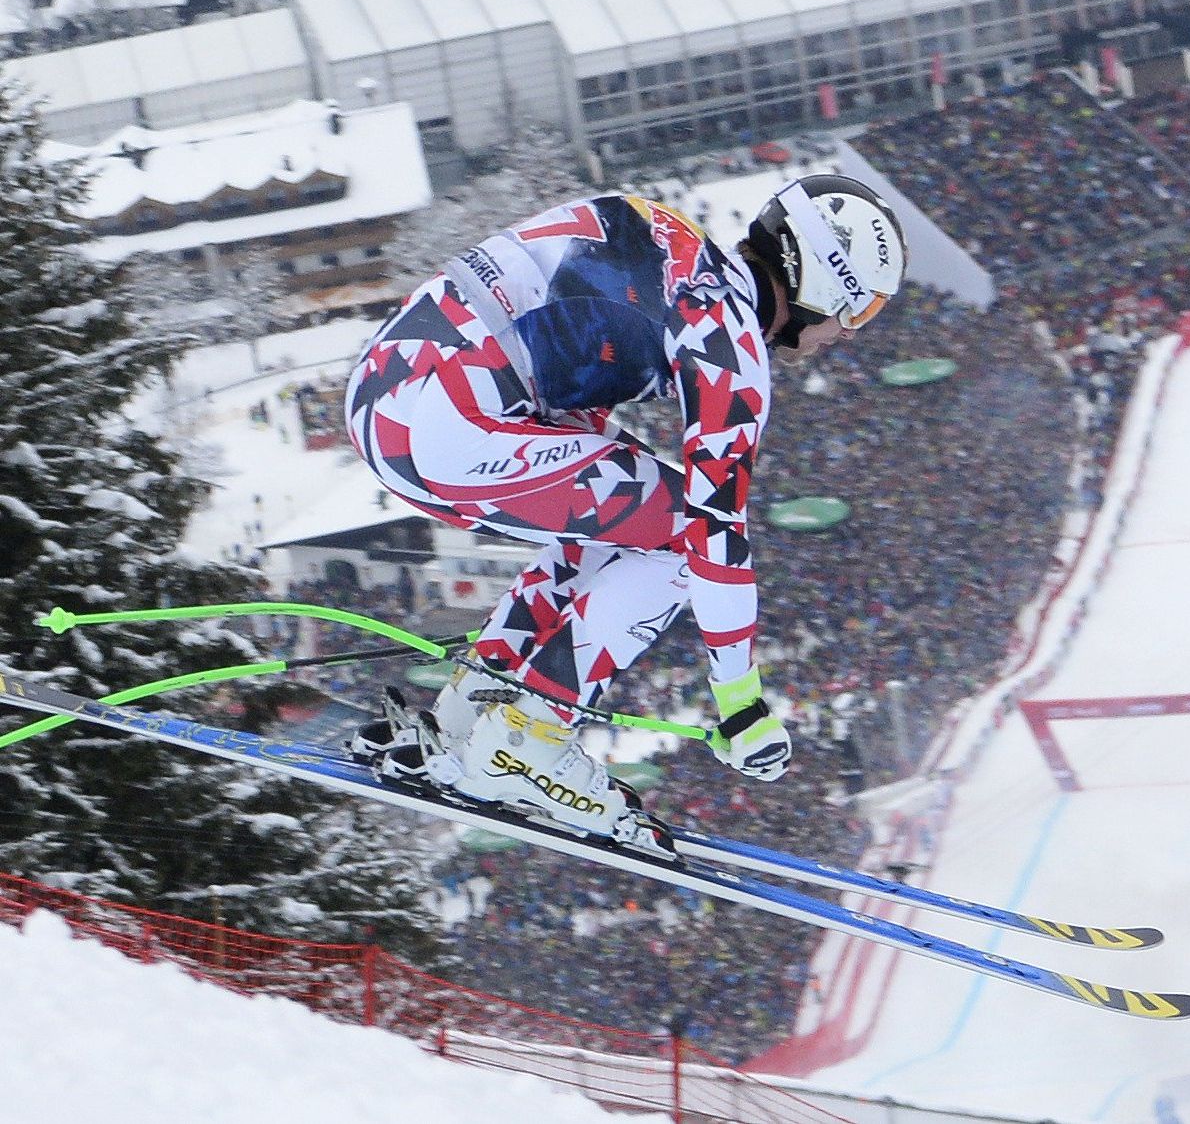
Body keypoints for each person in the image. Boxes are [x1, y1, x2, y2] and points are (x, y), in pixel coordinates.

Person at [342, 175, 907, 851]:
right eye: (859, 308)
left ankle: (477, 708)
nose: (847, 332)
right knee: (679, 534)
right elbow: (716, 531)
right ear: (819, 274)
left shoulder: (665, 232)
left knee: (624, 515)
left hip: (387, 391)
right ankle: (528, 737)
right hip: (446, 425)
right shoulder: (727, 341)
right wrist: (741, 704)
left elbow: (556, 346)